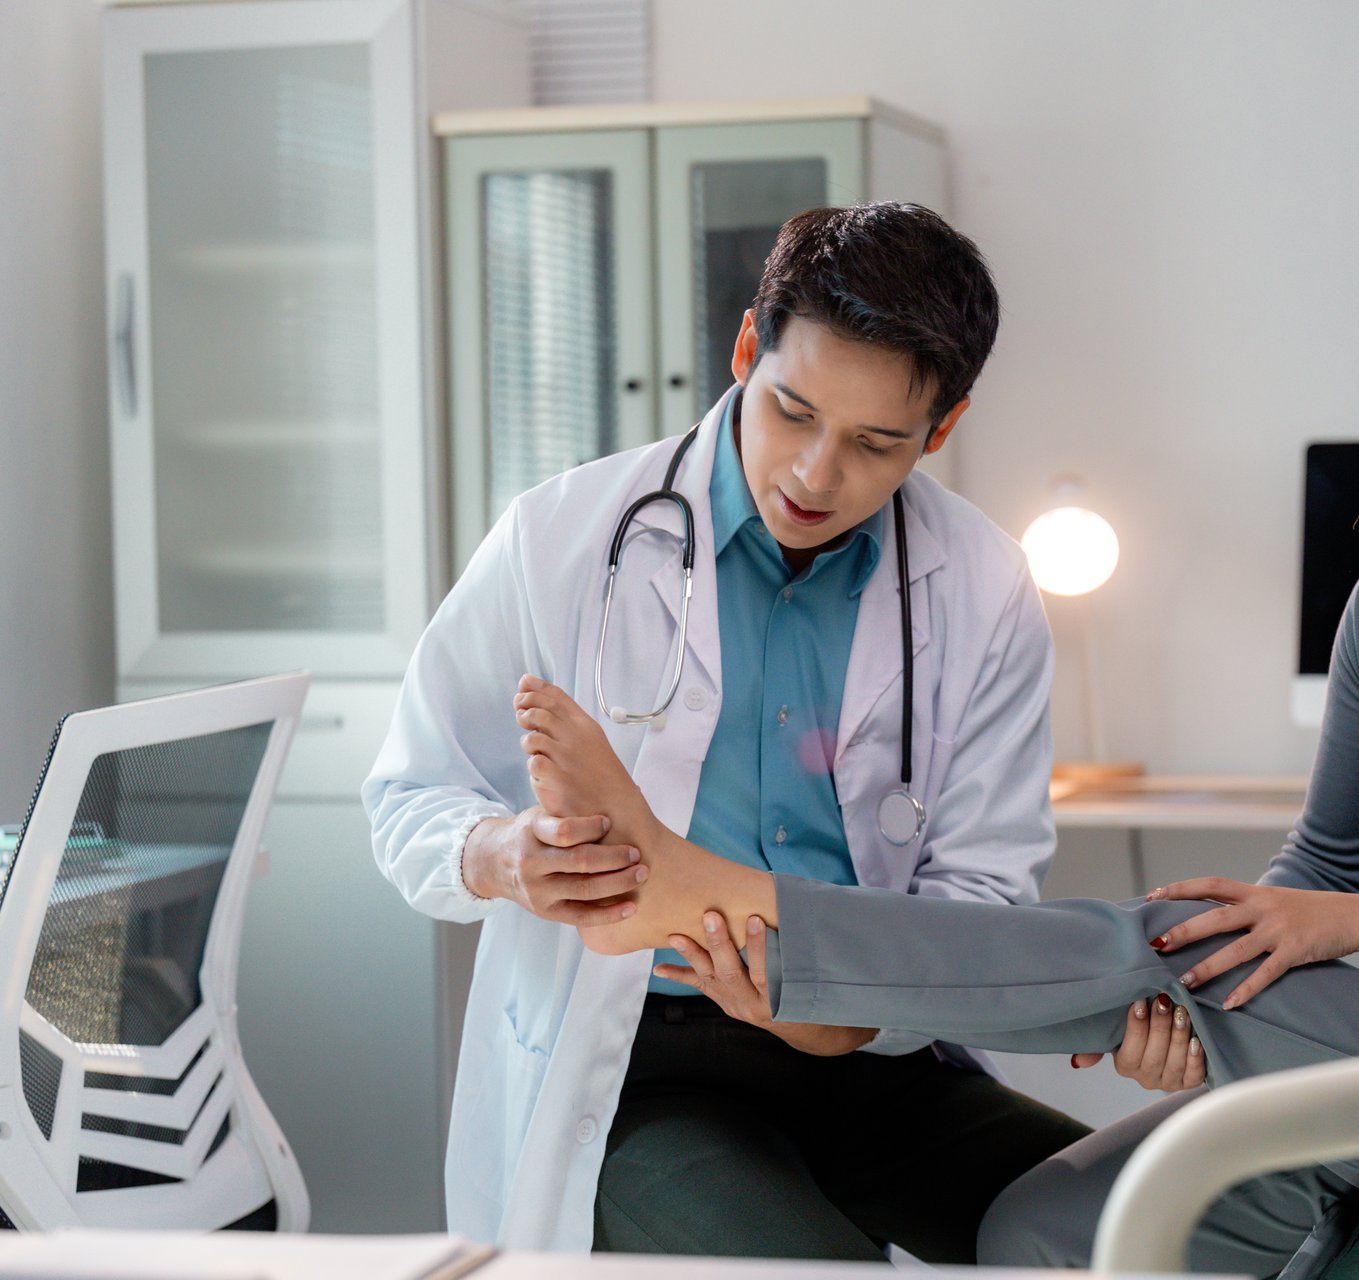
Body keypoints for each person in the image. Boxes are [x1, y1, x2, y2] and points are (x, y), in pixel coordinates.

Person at [511, 256, 1359, 1274]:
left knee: (1182, 935)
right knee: (1047, 1231)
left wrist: (1346, 931)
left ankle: (744, 917)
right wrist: (1214, 1016)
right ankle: (797, 939)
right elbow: (1313, 874)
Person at [364, 202, 1090, 1260]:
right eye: (791, 410)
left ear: (942, 428)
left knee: (1163, 1215)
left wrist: (831, 1015)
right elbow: (408, 793)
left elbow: (980, 905)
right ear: (747, 347)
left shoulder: (983, 587)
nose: (814, 472)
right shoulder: (562, 537)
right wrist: (499, 856)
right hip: (645, 1064)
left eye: (876, 442)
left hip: (873, 1048)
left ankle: (698, 895)